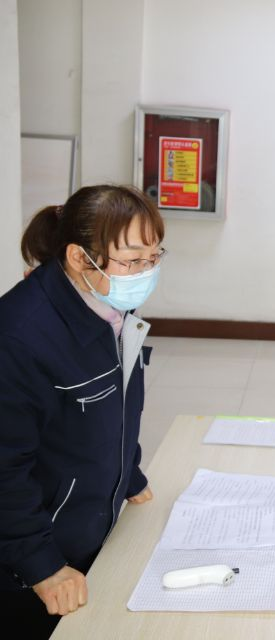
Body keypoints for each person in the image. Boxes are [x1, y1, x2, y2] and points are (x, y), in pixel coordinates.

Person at [0, 185, 166, 638]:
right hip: (30, 563)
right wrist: (42, 566)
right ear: (78, 257)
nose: (146, 272)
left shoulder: (109, 304)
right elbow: (5, 467)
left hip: (86, 533)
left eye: (154, 257)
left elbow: (112, 405)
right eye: (132, 261)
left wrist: (127, 474)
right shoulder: (19, 337)